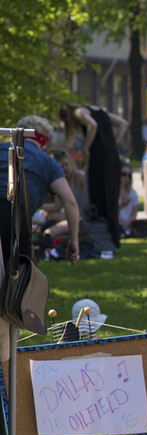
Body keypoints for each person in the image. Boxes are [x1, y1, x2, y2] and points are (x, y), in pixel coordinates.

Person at [0, 116, 80, 362]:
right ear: (43, 140)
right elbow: (69, 201)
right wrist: (73, 240)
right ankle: (4, 359)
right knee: (11, 295)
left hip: (11, 221)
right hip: (12, 224)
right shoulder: (47, 162)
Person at [59, 104, 128, 251]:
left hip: (99, 158)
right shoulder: (101, 111)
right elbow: (123, 123)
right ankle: (113, 238)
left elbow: (92, 125)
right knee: (110, 198)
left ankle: (101, 238)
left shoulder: (79, 112)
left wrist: (86, 147)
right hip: (112, 157)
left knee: (97, 197)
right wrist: (112, 143)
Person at [40, 150, 88, 248]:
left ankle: (79, 239)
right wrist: (40, 205)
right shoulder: (59, 182)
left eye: (67, 164)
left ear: (71, 163)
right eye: (62, 166)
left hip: (83, 218)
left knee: (49, 233)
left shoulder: (79, 176)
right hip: (70, 218)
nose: (66, 168)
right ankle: (78, 240)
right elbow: (57, 206)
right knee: (48, 229)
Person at [117, 163, 139, 235]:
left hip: (129, 225)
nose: (126, 177)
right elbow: (112, 212)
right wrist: (122, 205)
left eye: (129, 175)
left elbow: (134, 213)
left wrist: (127, 223)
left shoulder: (133, 193)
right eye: (124, 174)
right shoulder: (114, 193)